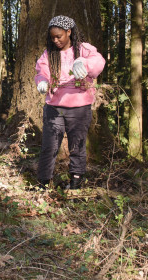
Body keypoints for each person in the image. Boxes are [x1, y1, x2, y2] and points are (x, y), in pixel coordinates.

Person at [34, 15, 106, 190]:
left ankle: (75, 182)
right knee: (49, 146)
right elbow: (41, 71)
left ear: (69, 32)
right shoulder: (49, 54)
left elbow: (99, 62)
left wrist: (84, 63)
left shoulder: (84, 49)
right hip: (54, 106)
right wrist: (42, 81)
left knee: (77, 146)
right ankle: (43, 183)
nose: (56, 40)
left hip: (79, 107)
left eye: (59, 36)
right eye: (52, 37)